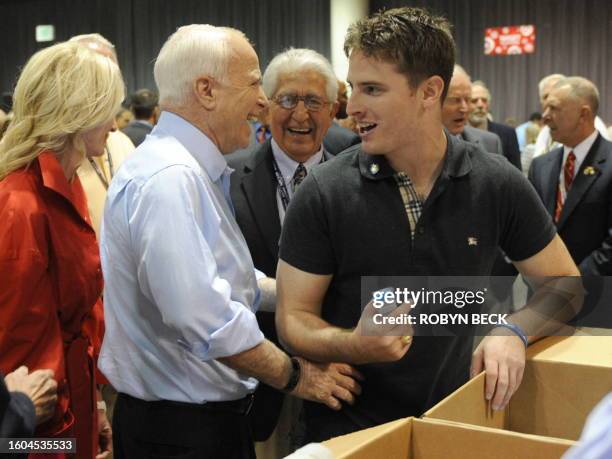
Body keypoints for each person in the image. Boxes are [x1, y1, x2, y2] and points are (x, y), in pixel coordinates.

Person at [275, 6, 580, 443]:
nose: (354, 106)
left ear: (429, 91)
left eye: (373, 89)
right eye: (353, 88)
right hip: (347, 436)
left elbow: (566, 285)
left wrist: (514, 329)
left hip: (454, 424)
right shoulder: (324, 191)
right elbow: (293, 319)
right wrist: (354, 343)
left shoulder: (496, 182)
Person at [99, 25, 361, 459]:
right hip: (181, 434)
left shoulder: (187, 171)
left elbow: (234, 281)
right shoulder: (171, 181)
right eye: (255, 83)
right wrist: (297, 376)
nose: (263, 100)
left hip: (194, 426)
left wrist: (309, 296)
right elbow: (208, 320)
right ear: (206, 90)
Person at [0, 41, 124, 458]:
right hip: (45, 424)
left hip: (75, 402)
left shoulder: (66, 184)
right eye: (107, 109)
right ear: (78, 114)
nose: (114, 122)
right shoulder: (21, 204)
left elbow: (82, 316)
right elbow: (22, 357)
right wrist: (52, 446)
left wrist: (97, 408)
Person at [228, 47, 343, 451]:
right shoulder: (226, 178)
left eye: (313, 101)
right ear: (265, 107)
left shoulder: (361, 174)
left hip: (341, 378)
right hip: (259, 383)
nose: (300, 114)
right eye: (288, 99)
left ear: (333, 110)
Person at [529, 77, 612, 276]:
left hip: (596, 294)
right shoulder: (540, 166)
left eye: (554, 108)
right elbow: (527, 227)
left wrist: (572, 283)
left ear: (583, 114)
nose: (545, 116)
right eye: (546, 107)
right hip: (542, 292)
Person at [441, 65, 503, 155]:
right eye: (456, 100)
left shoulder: (490, 143)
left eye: (468, 99)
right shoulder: (417, 144)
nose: (464, 108)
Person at [469, 80, 522, 169]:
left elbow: (516, 171)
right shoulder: (456, 134)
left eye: (484, 100)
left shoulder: (508, 134)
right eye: (474, 101)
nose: (480, 105)